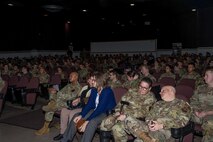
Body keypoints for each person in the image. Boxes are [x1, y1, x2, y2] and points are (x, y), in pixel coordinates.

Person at [61, 72, 116, 142]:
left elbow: (100, 109)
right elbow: (90, 104)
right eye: (91, 79)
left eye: (93, 79)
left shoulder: (107, 91)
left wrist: (87, 121)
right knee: (76, 116)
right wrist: (81, 115)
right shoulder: (94, 89)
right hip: (96, 110)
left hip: (106, 113)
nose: (90, 81)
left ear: (99, 81)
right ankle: (66, 139)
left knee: (92, 122)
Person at [124, 85, 192, 142]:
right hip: (150, 127)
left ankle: (146, 138)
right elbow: (148, 116)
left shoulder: (182, 104)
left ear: (171, 91)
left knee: (138, 141)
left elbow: (182, 121)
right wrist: (150, 123)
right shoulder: (158, 103)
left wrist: (161, 125)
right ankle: (147, 138)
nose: (160, 92)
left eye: (163, 91)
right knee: (128, 119)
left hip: (165, 131)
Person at [100, 77, 157, 142]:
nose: (141, 89)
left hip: (137, 121)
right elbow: (121, 103)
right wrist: (118, 112)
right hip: (122, 115)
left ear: (149, 89)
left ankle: (148, 139)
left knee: (126, 120)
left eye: (144, 88)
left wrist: (126, 115)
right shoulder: (132, 91)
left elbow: (143, 113)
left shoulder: (150, 98)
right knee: (105, 125)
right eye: (140, 87)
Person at [35, 71, 82, 135]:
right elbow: (60, 92)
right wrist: (54, 91)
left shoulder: (78, 87)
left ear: (76, 77)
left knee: (51, 107)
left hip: (68, 104)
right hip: (61, 101)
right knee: (52, 97)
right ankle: (51, 105)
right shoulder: (68, 85)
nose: (69, 77)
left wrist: (57, 93)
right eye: (69, 76)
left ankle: (45, 127)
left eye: (71, 76)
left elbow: (70, 97)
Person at [53, 74, 94, 141]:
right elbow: (79, 96)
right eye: (88, 79)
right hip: (79, 105)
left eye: (91, 79)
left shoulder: (94, 89)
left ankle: (69, 135)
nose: (89, 81)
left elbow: (90, 101)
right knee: (64, 110)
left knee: (72, 113)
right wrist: (76, 101)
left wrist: (80, 100)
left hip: (85, 107)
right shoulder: (85, 87)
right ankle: (62, 133)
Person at [190, 66, 213, 142]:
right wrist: (196, 110)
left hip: (210, 114)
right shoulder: (200, 88)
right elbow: (193, 100)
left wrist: (206, 113)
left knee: (209, 125)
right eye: (204, 75)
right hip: (198, 113)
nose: (204, 77)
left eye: (207, 75)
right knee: (180, 114)